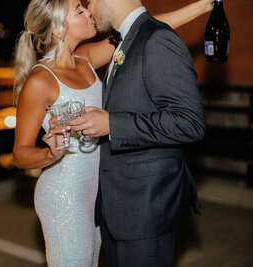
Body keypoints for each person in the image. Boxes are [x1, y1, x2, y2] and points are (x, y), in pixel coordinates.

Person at [12, 0, 213, 266]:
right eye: (79, 10)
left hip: (101, 193)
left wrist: (200, 7)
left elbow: (141, 30)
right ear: (59, 29)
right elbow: (20, 154)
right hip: (65, 194)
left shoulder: (85, 58)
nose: (88, 12)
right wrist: (51, 153)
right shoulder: (40, 80)